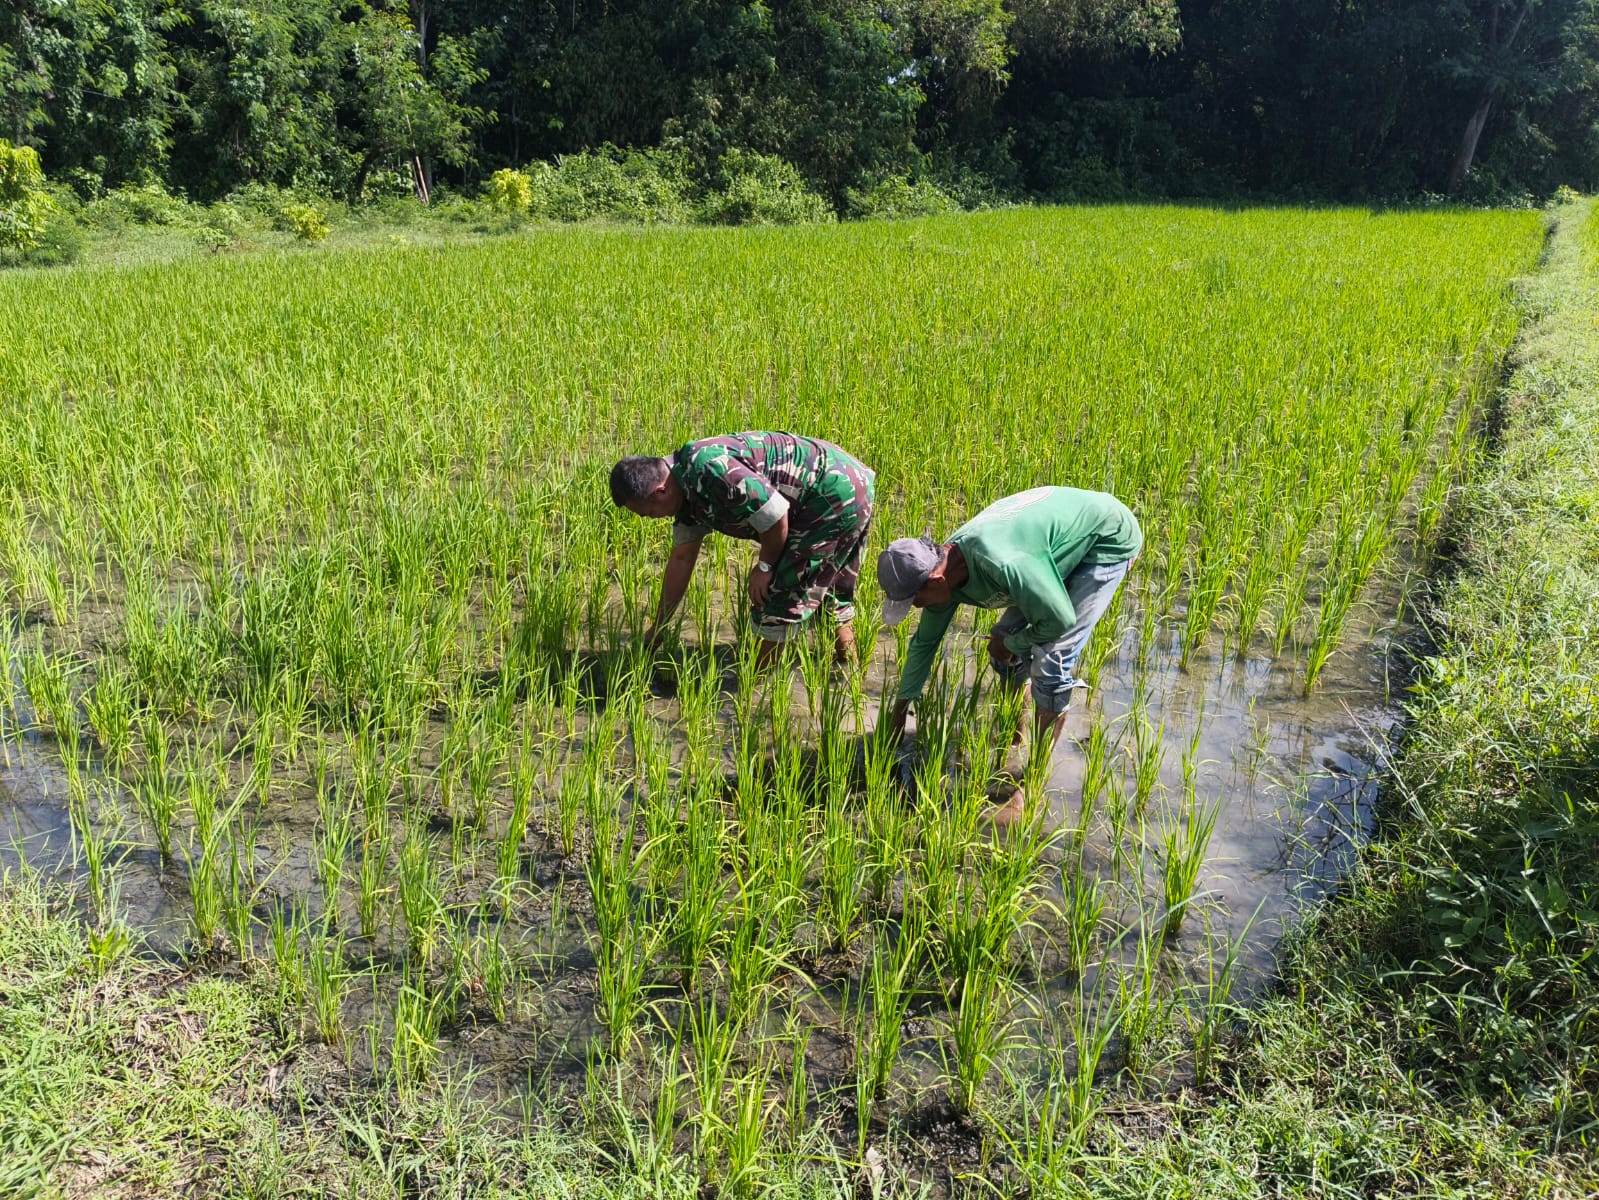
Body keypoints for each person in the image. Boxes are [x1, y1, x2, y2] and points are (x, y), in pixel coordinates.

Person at [877, 486, 1141, 819]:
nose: (916, 607)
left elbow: (1060, 618)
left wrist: (1013, 644)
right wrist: (900, 712)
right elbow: (924, 645)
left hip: (1105, 538)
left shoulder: (1000, 562)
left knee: (1052, 661)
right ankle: (1016, 731)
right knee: (1002, 643)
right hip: (1045, 549)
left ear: (935, 579)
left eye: (915, 600)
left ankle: (1033, 786)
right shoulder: (945, 577)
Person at [610, 432, 876, 666]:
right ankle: (849, 674)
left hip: (832, 492)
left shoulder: (709, 469)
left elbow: (776, 515)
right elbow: (682, 558)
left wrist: (765, 567)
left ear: (660, 491)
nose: (653, 518)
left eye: (649, 513)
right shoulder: (683, 492)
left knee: (776, 599)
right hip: (845, 487)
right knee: (829, 593)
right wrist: (659, 627)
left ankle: (755, 689)